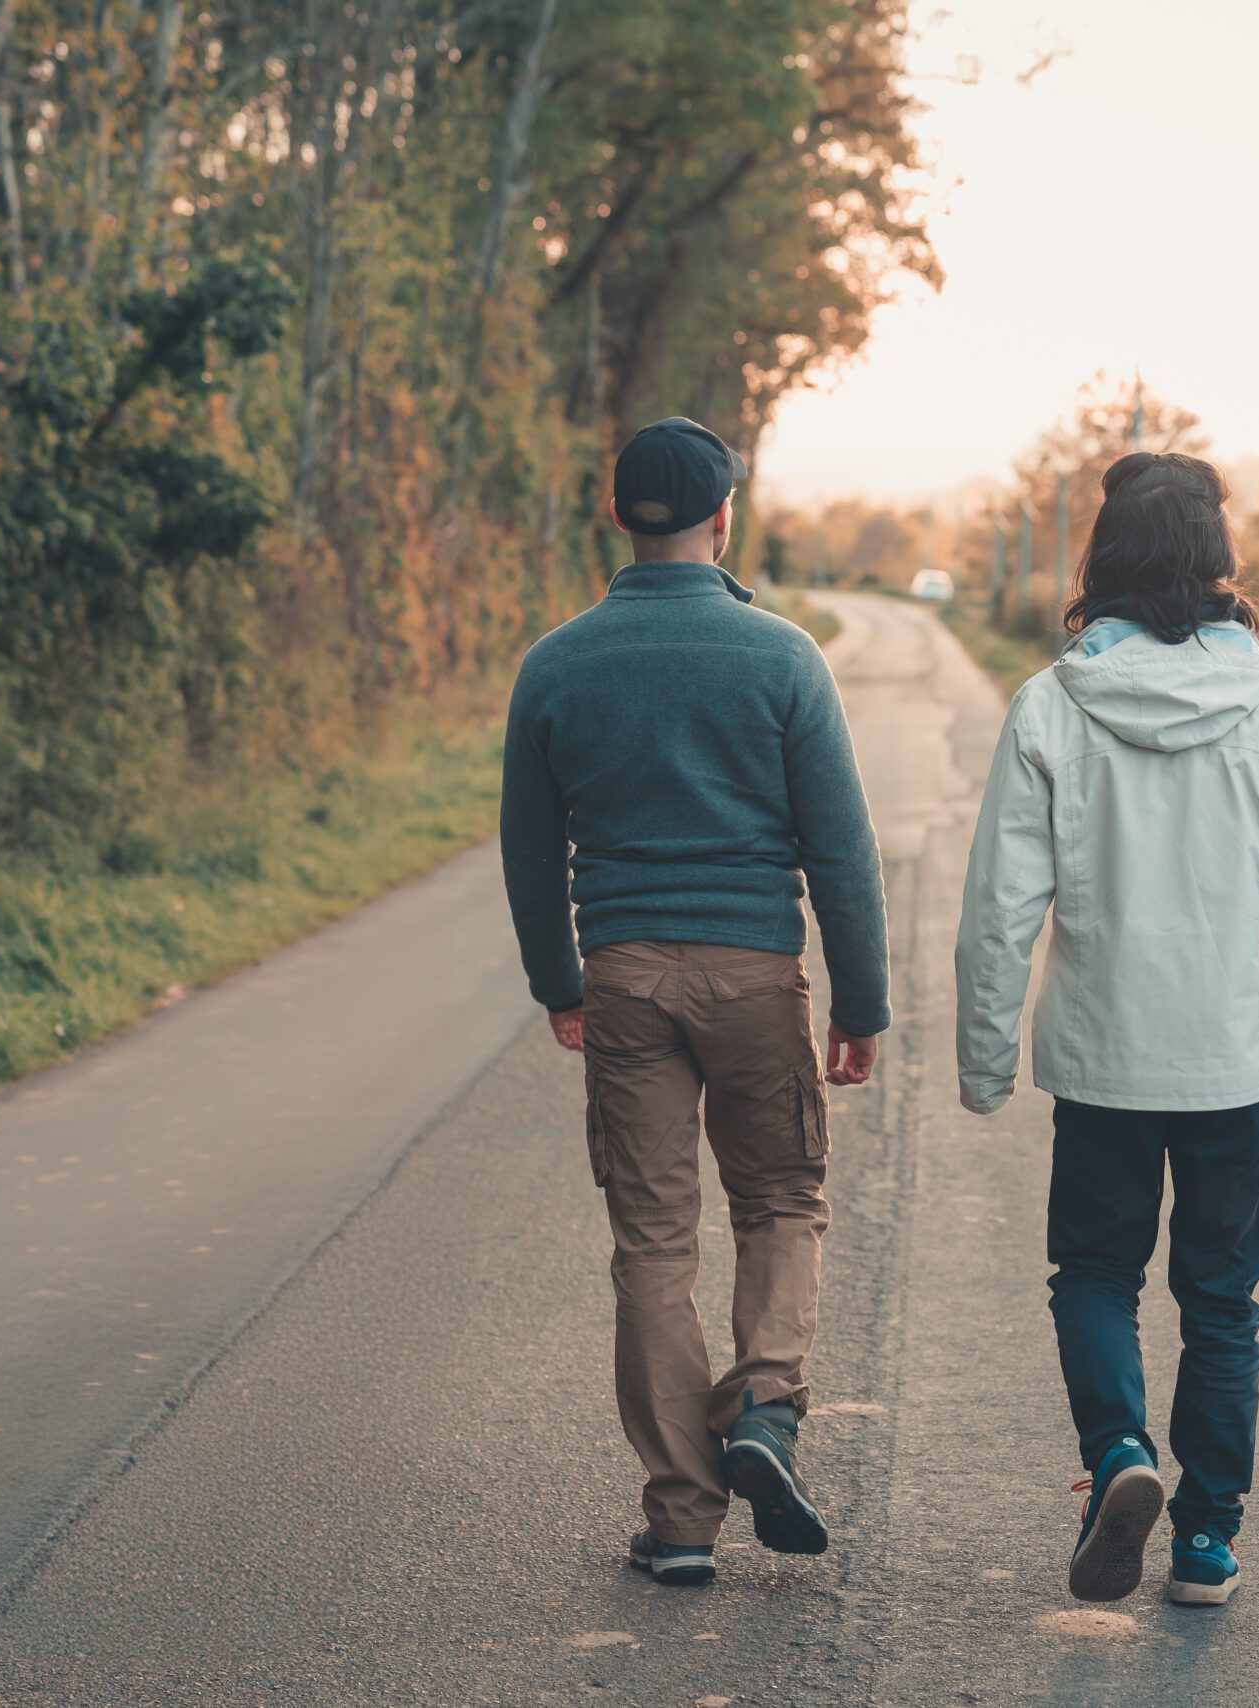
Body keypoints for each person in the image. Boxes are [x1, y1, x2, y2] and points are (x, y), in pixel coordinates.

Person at [952, 451, 1259, 1607]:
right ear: (1217, 564)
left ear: (1102, 560)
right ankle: (1204, 1541)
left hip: (1102, 1058)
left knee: (1095, 1273)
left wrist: (986, 1060)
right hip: (1234, 1059)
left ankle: (1117, 1455)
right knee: (1220, 1301)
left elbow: (999, 909)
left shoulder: (1051, 704)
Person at [500, 416, 889, 1588]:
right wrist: (858, 1003)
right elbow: (841, 850)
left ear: (619, 515)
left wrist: (557, 984)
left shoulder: (556, 663)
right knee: (779, 1195)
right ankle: (765, 1406)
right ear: (726, 516)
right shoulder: (783, 659)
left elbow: (530, 852)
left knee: (652, 1242)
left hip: (622, 976)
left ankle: (680, 1519)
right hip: (755, 972)